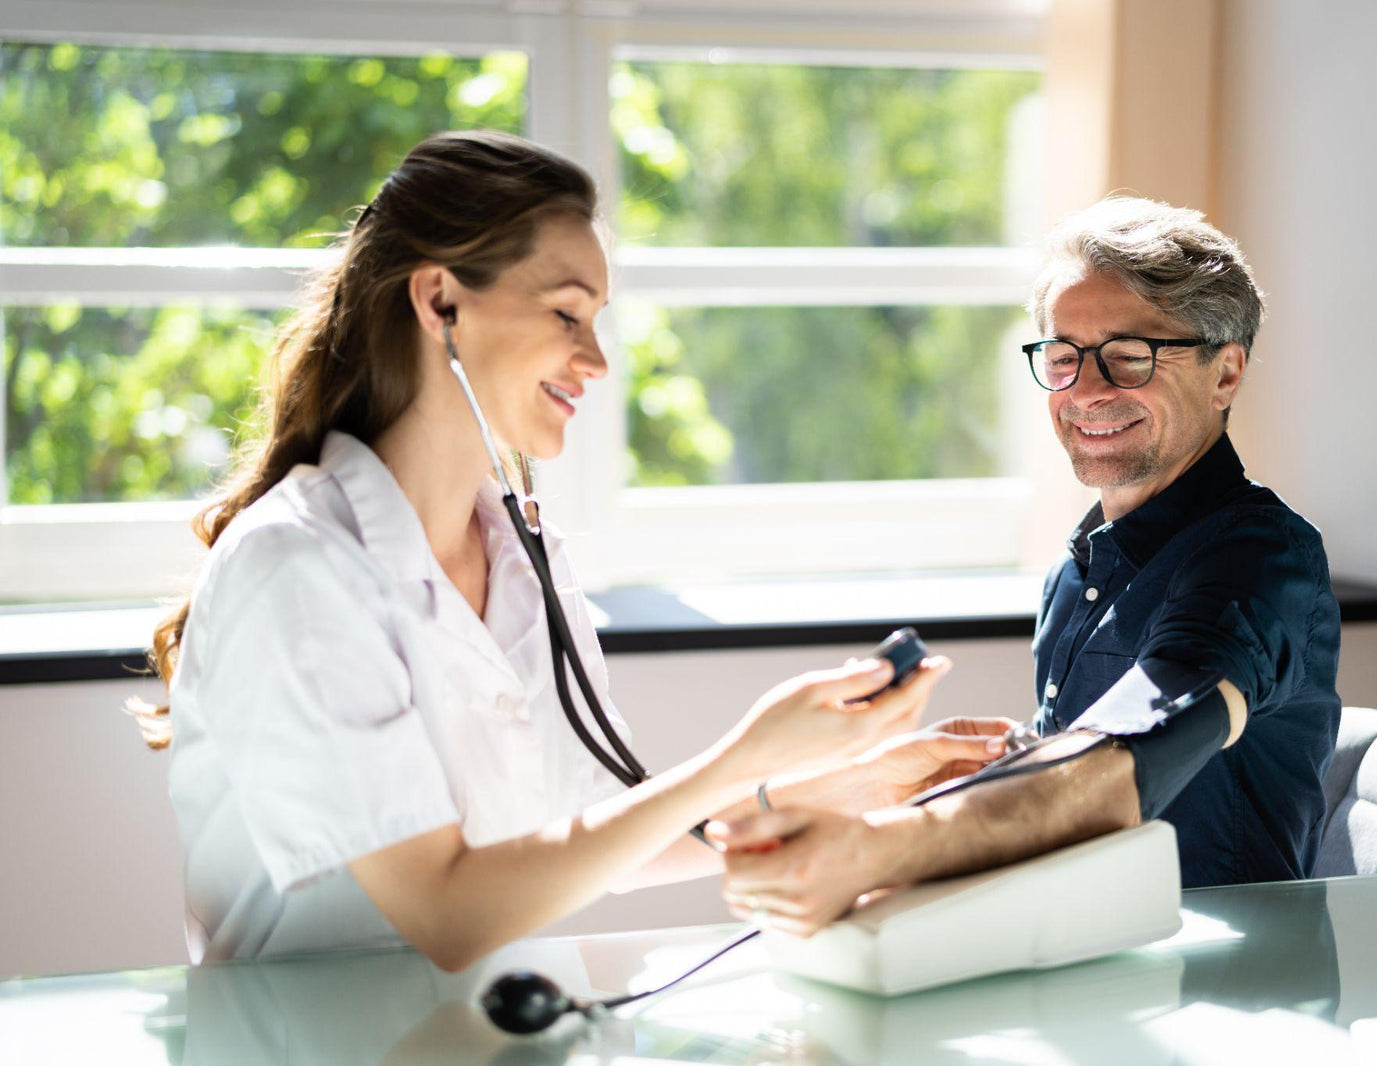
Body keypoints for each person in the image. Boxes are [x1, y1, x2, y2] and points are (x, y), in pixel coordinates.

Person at [137, 130, 1012, 971]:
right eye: (566, 314)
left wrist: (872, 779)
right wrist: (745, 755)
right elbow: (447, 911)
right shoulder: (296, 567)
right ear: (440, 301)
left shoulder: (523, 556)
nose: (594, 360)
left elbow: (595, 836)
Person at [712, 196, 1341, 937]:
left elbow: (1127, 755)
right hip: (1081, 958)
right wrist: (979, 785)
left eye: (1130, 355)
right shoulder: (1074, 575)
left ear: (1225, 375)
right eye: (1065, 356)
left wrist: (880, 850)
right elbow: (1068, 793)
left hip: (1225, 1003)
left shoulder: (1261, 560)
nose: (1086, 390)